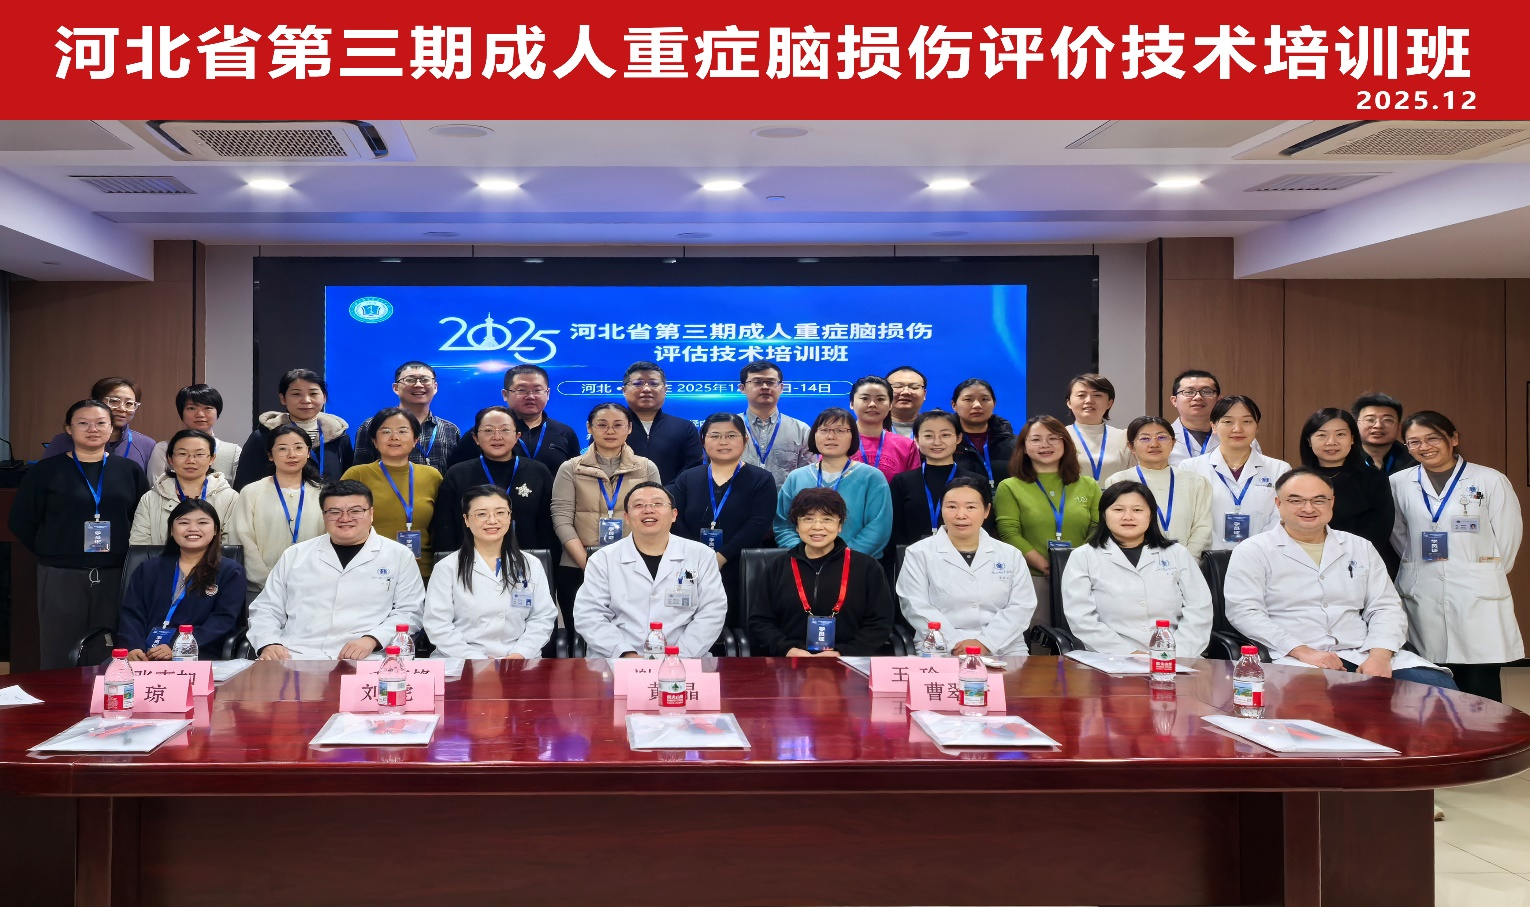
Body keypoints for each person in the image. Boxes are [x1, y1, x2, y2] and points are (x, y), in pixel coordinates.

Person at [1227, 469, 1457, 689]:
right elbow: (1245, 612)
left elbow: (1385, 607)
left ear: (1332, 502)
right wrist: (1302, 651)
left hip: (1360, 651)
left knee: (1436, 686)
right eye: (1296, 500)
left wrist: (1379, 656)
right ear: (1278, 503)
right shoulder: (1253, 550)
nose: (1308, 508)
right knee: (1319, 697)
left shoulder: (1359, 546)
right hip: (1295, 656)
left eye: (1319, 500)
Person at [1390, 411, 1522, 701]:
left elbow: (1508, 537)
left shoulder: (1490, 480)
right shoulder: (1398, 482)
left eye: (1433, 438)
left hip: (1478, 594)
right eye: (1414, 442)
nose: (1424, 447)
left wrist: (1481, 571)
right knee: (1431, 684)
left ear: (1453, 438)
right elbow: (1399, 534)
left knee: (1480, 684)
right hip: (1423, 589)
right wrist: (1420, 566)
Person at [9, 400, 151, 669]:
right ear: (68, 429)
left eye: (100, 423)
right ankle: (59, 697)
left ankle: (109, 694)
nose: (92, 429)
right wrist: (54, 550)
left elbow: (140, 520)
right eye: (83, 423)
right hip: (61, 574)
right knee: (58, 649)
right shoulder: (45, 471)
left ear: (111, 428)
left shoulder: (129, 470)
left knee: (110, 650)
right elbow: (21, 521)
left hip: (116, 573)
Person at [246, 480, 425, 660]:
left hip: (368, 657)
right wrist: (269, 643)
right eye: (334, 512)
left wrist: (372, 639)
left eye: (355, 511)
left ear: (371, 513)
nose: (345, 518)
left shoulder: (399, 555)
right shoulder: (295, 555)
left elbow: (410, 612)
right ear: (324, 515)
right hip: (296, 655)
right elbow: (266, 608)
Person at [572, 482, 727, 658]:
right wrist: (625, 654)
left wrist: (679, 656)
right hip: (617, 660)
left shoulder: (701, 556)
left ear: (674, 515)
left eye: (657, 503)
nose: (648, 510)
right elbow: (589, 614)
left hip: (686, 659)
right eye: (638, 505)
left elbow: (712, 612)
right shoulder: (602, 560)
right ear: (627, 517)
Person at [1061, 481, 1213, 657]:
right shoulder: (1083, 557)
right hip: (1110, 657)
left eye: (1137, 510)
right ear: (1104, 514)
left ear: (1151, 515)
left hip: (1178, 656)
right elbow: (1081, 618)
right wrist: (1131, 654)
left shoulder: (1177, 553)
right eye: (1118, 509)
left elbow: (1199, 610)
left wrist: (1173, 654)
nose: (1128, 517)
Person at [897, 478, 1035, 656]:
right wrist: (954, 643)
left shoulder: (1010, 554)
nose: (961, 515)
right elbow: (915, 605)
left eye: (970, 507)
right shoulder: (918, 553)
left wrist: (986, 642)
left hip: (1004, 647)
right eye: (952, 507)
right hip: (940, 646)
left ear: (987, 511)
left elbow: (1022, 605)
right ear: (942, 509)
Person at [550, 402, 662, 621]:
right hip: (578, 564)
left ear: (629, 428)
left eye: (618, 425)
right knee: (580, 634)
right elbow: (561, 519)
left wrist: (636, 560)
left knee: (634, 630)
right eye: (602, 425)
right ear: (589, 428)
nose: (610, 431)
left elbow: (654, 517)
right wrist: (588, 564)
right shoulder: (570, 468)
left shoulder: (646, 468)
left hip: (634, 564)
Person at [753, 487, 894, 657]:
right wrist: (788, 650)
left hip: (849, 662)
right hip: (789, 661)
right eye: (808, 519)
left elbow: (880, 623)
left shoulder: (867, 567)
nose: (817, 527)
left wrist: (844, 653)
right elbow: (760, 621)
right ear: (797, 526)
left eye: (827, 519)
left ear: (840, 525)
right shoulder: (778, 566)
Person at [424, 485, 558, 659]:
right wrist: (477, 660)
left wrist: (520, 654)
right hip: (461, 660)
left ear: (509, 517)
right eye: (481, 514)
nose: (492, 520)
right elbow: (438, 625)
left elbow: (542, 617)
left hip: (519, 661)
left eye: (500, 513)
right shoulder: (446, 568)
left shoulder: (531, 564)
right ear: (466, 520)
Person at [993, 415, 1102, 607]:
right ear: (1023, 447)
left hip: (1084, 576)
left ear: (1065, 443)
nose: (1045, 444)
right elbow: (1009, 534)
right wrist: (1046, 565)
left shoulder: (1089, 485)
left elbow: (1098, 528)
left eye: (1053, 438)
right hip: (1031, 579)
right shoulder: (1009, 487)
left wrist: (1076, 564)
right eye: (1036, 439)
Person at [117, 499, 246, 660]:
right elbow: (132, 613)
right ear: (172, 530)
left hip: (198, 654)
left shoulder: (230, 571)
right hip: (144, 655)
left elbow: (223, 620)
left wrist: (179, 647)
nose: (193, 528)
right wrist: (133, 647)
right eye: (184, 522)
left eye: (202, 522)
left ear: (215, 530)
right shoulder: (148, 569)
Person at [671, 414, 776, 606]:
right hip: (691, 564)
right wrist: (697, 555)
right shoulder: (687, 478)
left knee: (736, 615)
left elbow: (758, 524)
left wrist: (721, 557)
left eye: (731, 435)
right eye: (715, 436)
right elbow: (675, 518)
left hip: (741, 565)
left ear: (745, 440)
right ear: (703, 441)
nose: (723, 442)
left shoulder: (762, 479)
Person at [430, 406, 556, 556]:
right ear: (475, 438)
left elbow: (548, 526)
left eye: (505, 430)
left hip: (526, 560)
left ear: (517, 436)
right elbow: (445, 528)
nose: (497, 437)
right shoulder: (457, 474)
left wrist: (546, 563)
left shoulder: (538, 472)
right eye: (488, 430)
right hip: (469, 561)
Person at [774, 408, 893, 559]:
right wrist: (805, 555)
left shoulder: (872, 477)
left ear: (853, 436)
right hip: (804, 563)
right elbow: (783, 525)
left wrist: (842, 559)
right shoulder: (796, 477)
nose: (831, 436)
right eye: (824, 430)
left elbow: (878, 527)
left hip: (857, 563)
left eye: (840, 430)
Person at [341, 407, 444, 578]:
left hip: (422, 573)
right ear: (374, 441)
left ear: (415, 440)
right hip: (368, 572)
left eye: (402, 431)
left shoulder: (432, 476)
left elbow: (441, 528)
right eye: (386, 431)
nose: (394, 437)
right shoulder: (357, 474)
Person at [1179, 396, 1291, 552]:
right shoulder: (1190, 468)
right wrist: (1218, 552)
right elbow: (1189, 517)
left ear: (1257, 427)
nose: (1238, 429)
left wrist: (1252, 552)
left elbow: (1281, 517)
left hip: (1264, 555)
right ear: (1214, 426)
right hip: (1208, 556)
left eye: (1247, 421)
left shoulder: (1280, 469)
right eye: (1228, 422)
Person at [227, 424, 326, 598]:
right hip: (261, 590)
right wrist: (268, 581)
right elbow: (242, 538)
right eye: (282, 448)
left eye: (298, 447)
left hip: (314, 589)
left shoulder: (323, 493)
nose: (291, 454)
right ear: (270, 455)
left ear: (308, 453)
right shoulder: (251, 492)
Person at [1298, 408, 1397, 577]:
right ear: (1309, 440)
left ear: (1352, 439)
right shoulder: (1297, 480)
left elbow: (1379, 532)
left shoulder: (1374, 479)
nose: (1331, 442)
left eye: (1340, 434)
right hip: (1306, 567)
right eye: (1322, 435)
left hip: (1360, 568)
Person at [1105, 417, 1213, 558]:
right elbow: (1118, 527)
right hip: (1137, 561)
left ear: (1173, 443)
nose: (1154, 444)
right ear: (1131, 446)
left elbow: (1202, 528)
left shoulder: (1195, 482)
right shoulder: (1118, 481)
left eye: (1162, 437)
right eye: (1145, 438)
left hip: (1187, 562)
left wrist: (1186, 560)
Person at [449, 364, 583, 475]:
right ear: (505, 394)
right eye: (522, 390)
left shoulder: (564, 433)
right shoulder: (483, 432)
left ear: (547, 393)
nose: (530, 396)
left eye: (537, 390)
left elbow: (575, 477)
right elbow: (459, 474)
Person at [233, 368, 353, 489]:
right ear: (283, 398)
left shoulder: (339, 437)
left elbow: (349, 484)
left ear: (324, 397)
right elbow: (244, 486)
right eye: (296, 394)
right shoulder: (263, 437)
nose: (306, 400)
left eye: (313, 394)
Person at [889, 410, 989, 546]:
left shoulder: (976, 481)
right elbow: (895, 529)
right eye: (928, 436)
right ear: (917, 439)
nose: (937, 442)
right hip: (913, 555)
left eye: (945, 435)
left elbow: (985, 527)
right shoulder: (902, 481)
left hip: (964, 552)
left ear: (959, 438)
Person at [129, 429, 239, 546]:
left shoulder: (230, 498)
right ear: (170, 459)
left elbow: (232, 545)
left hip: (214, 558)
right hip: (162, 558)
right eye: (182, 454)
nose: (191, 460)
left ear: (212, 458)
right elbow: (140, 545)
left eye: (199, 454)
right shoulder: (150, 499)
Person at [353, 361, 462, 472]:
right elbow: (360, 474)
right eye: (410, 380)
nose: (418, 385)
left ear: (435, 387)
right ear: (396, 388)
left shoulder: (450, 430)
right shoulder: (372, 425)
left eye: (425, 380)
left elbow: (456, 475)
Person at [45, 377, 154, 472]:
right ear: (95, 402)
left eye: (129, 404)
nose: (122, 409)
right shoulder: (62, 441)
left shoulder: (146, 445)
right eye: (114, 401)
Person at [621, 360, 704, 483]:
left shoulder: (685, 428)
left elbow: (691, 473)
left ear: (665, 390)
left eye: (654, 383)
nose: (646, 389)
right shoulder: (611, 428)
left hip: (671, 495)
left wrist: (663, 494)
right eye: (638, 383)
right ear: (624, 390)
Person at [738, 360, 814, 486]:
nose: (765, 387)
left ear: (781, 388)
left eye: (770, 382)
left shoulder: (801, 430)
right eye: (757, 382)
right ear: (742, 388)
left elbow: (809, 476)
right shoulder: (728, 429)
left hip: (786, 499)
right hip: (737, 498)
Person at [144, 384, 243, 479]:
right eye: (191, 408)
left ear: (218, 412)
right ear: (181, 413)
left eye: (208, 408)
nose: (200, 414)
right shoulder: (164, 449)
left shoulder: (233, 452)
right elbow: (156, 486)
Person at [848, 376, 921, 482]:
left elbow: (912, 486)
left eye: (880, 399)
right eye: (865, 398)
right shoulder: (837, 441)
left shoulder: (906, 446)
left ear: (890, 405)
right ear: (851, 403)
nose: (872, 404)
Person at [1065, 373, 1134, 482]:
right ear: (1069, 402)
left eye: (1097, 395)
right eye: (1081, 395)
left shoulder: (1124, 437)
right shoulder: (1060, 437)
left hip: (1116, 493)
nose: (1089, 400)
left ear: (1109, 403)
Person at [950, 378, 1017, 486]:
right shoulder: (945, 443)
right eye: (968, 399)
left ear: (994, 403)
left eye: (984, 399)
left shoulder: (1014, 444)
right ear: (954, 405)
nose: (977, 405)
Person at [1166, 369, 1223, 467]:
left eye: (1207, 392)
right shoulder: (1161, 439)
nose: (1198, 397)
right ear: (1174, 401)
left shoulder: (1237, 436)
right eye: (1189, 392)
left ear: (1219, 400)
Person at [1352, 392, 1418, 475]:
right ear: (1355, 424)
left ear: (1399, 426)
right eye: (1370, 420)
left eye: (1387, 420)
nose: (1378, 425)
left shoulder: (1414, 459)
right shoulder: (1343, 458)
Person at [886, 366, 929, 438]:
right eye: (897, 386)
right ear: (884, 391)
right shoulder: (869, 426)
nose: (906, 392)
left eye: (914, 387)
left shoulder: (935, 427)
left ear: (924, 394)